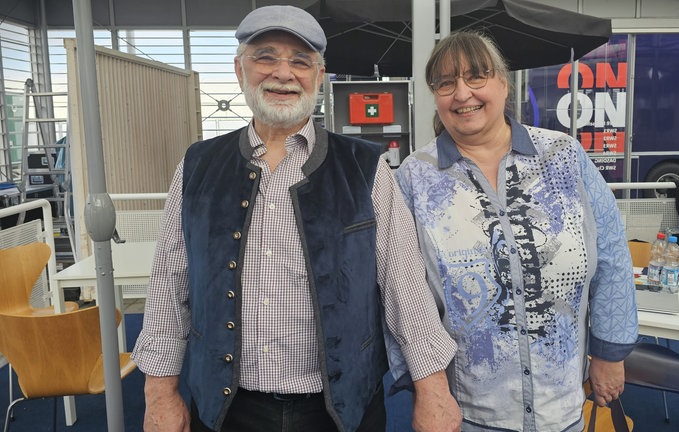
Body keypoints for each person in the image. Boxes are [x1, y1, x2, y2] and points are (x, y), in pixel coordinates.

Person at [131, 5, 461, 432]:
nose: (283, 73)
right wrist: (159, 391)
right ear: (239, 69)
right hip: (228, 409)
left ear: (319, 76)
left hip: (339, 410)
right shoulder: (197, 166)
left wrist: (432, 389)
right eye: (265, 56)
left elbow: (403, 283)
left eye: (300, 61)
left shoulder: (364, 166)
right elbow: (169, 284)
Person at [393, 31, 639, 431]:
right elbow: (402, 292)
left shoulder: (563, 156)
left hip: (561, 404)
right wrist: (427, 387)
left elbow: (611, 254)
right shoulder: (414, 178)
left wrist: (609, 353)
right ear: (435, 95)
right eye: (446, 83)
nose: (462, 93)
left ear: (503, 84)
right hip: (470, 410)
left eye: (476, 76)